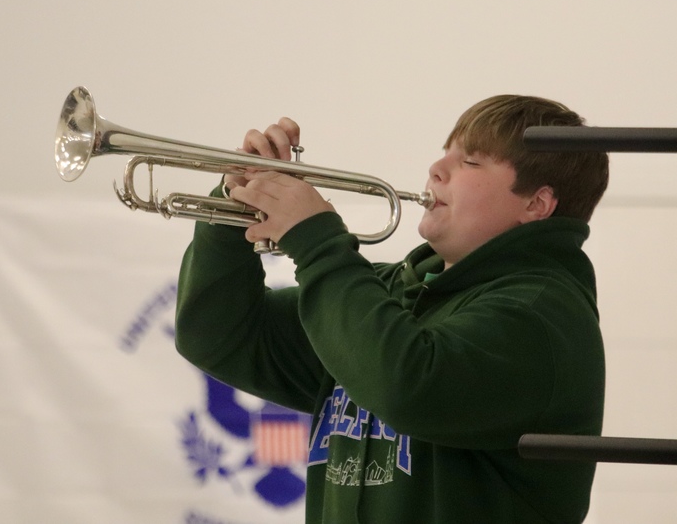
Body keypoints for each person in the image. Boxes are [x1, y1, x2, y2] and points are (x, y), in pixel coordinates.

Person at [175, 95, 610, 524]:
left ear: (536, 204)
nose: (436, 170)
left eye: (471, 162)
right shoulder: (388, 293)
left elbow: (409, 386)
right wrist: (235, 202)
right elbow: (216, 334)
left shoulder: (539, 316)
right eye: (445, 155)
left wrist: (317, 243)